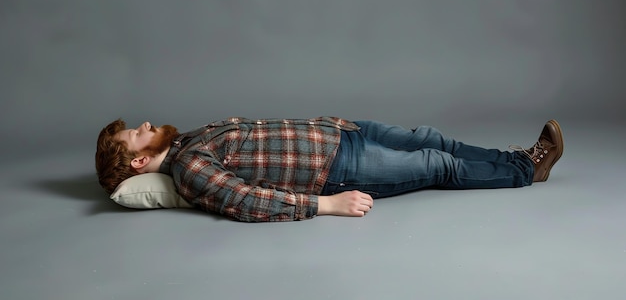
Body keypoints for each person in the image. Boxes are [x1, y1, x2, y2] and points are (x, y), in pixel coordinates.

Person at [95, 117, 564, 222]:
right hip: (339, 167)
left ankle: (514, 158)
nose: (143, 125)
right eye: (135, 134)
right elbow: (245, 200)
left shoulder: (186, 142)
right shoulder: (189, 167)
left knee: (431, 138)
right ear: (138, 161)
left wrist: (330, 124)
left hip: (340, 133)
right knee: (436, 163)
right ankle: (527, 170)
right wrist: (326, 205)